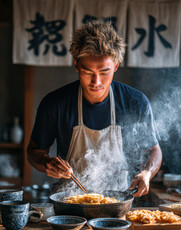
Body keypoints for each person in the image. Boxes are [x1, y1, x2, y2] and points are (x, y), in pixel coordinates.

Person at [27, 20, 162, 197]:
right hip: (70, 205)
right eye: (88, 72)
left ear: (116, 65)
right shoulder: (55, 103)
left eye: (104, 72)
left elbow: (153, 150)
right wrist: (46, 163)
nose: (96, 82)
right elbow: (34, 152)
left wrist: (147, 173)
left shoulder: (135, 102)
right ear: (76, 65)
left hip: (120, 201)